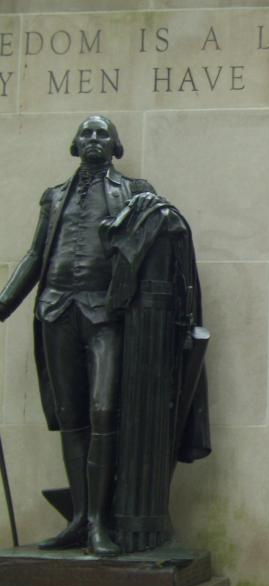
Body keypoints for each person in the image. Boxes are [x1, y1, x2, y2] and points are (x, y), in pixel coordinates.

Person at [0, 116, 209, 556]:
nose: (94, 138)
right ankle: (79, 519)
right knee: (71, 415)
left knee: (103, 410)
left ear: (116, 146)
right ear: (74, 145)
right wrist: (3, 304)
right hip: (55, 310)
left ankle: (100, 523)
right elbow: (36, 255)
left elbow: (168, 232)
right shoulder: (54, 197)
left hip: (105, 316)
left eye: (103, 133)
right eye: (86, 133)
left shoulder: (134, 192)